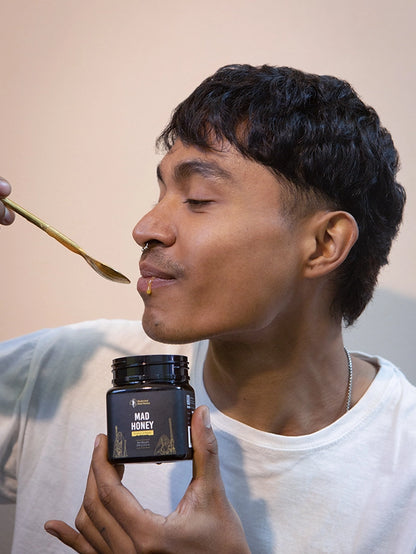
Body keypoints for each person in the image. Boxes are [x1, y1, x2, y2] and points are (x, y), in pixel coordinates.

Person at [1, 64, 415, 553]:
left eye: (198, 198)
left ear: (324, 243)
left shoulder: (402, 471)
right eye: (162, 192)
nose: (146, 227)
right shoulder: (64, 371)